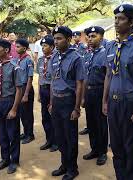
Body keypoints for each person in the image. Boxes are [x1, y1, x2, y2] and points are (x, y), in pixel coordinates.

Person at [102, 4, 133, 180]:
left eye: (121, 18)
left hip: (130, 102)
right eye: (115, 18)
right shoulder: (110, 47)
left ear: (132, 22)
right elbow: (108, 75)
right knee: (116, 145)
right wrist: (105, 101)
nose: (116, 22)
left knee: (130, 145)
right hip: (113, 102)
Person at [48, 26, 84, 180]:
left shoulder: (76, 58)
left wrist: (76, 108)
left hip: (69, 101)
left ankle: (72, 168)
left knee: (70, 137)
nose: (56, 41)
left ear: (68, 39)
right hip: (56, 101)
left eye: (59, 38)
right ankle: (64, 164)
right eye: (55, 38)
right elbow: (52, 81)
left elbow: (80, 84)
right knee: (60, 135)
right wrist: (51, 102)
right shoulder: (54, 57)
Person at [0, 39, 23, 174]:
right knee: (2, 133)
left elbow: (19, 90)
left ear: (6, 50)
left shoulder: (14, 67)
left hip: (10, 102)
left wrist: (14, 109)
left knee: (13, 133)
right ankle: (5, 159)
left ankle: (14, 160)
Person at [82, 26, 108, 166]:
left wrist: (105, 100)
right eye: (89, 36)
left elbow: (107, 78)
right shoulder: (87, 54)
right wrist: (83, 96)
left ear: (101, 37)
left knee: (101, 124)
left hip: (100, 91)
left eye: (93, 36)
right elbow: (85, 76)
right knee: (91, 122)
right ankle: (94, 149)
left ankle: (102, 152)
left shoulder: (105, 54)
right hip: (89, 92)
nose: (90, 39)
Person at [36, 36, 58, 152]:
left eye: (45, 46)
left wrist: (52, 98)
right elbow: (40, 76)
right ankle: (49, 140)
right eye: (42, 46)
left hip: (52, 89)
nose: (43, 48)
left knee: (53, 116)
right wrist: (39, 93)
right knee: (45, 117)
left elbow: (55, 80)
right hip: (43, 89)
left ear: (52, 47)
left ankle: (56, 141)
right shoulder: (41, 60)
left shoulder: (56, 58)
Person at [12, 38, 35, 144]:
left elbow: (30, 78)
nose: (16, 48)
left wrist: (26, 94)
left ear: (24, 48)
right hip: (20, 88)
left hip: (26, 88)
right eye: (15, 46)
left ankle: (30, 134)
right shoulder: (17, 59)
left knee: (28, 113)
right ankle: (25, 132)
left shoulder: (28, 60)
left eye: (18, 46)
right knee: (21, 113)